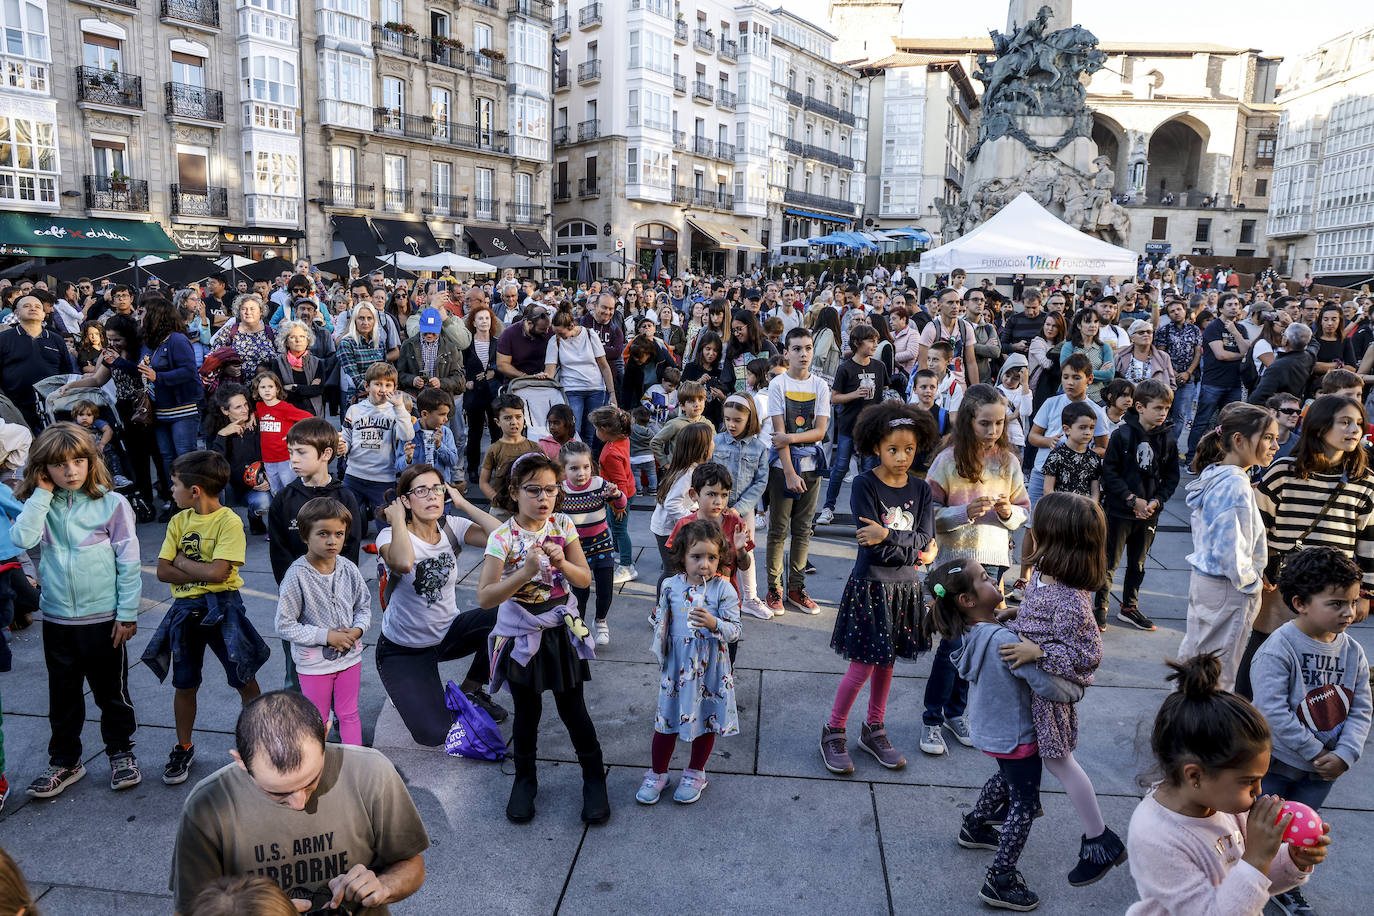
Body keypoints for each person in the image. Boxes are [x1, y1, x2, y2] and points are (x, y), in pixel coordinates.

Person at [170, 690, 429, 915]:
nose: (299, 803)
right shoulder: (208, 805)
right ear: (240, 762)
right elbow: (190, 908)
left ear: (324, 735)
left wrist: (384, 886)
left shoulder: (372, 772)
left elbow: (412, 865)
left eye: (310, 782)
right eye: (278, 793)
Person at [925, 559, 1086, 912]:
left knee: (1006, 777)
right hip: (1018, 735)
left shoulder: (976, 630)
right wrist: (1074, 687)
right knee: (1024, 805)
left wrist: (1005, 618)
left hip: (994, 731)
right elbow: (1048, 685)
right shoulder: (1005, 643)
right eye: (984, 579)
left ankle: (975, 825)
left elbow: (991, 632)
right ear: (968, 600)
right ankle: (1000, 878)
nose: (993, 579)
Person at [1124, 655, 1328, 915]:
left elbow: (1253, 881)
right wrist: (1257, 857)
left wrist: (1291, 860)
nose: (1259, 791)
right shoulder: (1156, 837)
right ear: (1195, 776)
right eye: (1249, 781)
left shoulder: (1224, 806)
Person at [1002, 492, 1127, 885]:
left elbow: (1087, 655)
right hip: (1028, 692)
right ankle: (990, 812)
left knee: (1060, 763)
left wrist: (1039, 651)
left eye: (1037, 530)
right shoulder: (1042, 576)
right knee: (1017, 757)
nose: (1031, 535)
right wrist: (1016, 613)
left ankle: (1100, 839)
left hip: (1048, 701)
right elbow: (1037, 618)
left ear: (1054, 540)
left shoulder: (1071, 599)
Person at [478, 452, 608, 826]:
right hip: (522, 636)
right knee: (527, 713)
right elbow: (486, 596)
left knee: (573, 709)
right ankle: (524, 779)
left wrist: (562, 564)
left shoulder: (563, 525)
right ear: (514, 492)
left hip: (560, 633)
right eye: (533, 490)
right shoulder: (503, 537)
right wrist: (526, 572)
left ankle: (594, 778)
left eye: (551, 489)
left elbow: (584, 580)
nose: (543, 498)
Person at [13, 423, 141, 798]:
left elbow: (130, 564)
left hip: (103, 620)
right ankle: (66, 761)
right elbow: (21, 540)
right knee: (63, 695)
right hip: (57, 619)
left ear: (91, 462)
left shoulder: (113, 504)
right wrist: (40, 495)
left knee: (111, 692)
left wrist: (127, 613)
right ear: (42, 469)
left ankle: (121, 752)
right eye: (58, 464)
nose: (70, 471)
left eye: (78, 461)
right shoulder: (42, 505)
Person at [1252, 547, 1371, 916]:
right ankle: (1250, 881)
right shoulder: (1279, 648)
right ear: (1301, 602)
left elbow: (1362, 707)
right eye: (1336, 603)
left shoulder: (1352, 652)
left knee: (1301, 835)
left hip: (1322, 772)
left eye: (1353, 601)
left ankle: (1284, 886)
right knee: (1261, 830)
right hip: (1277, 764)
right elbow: (1271, 711)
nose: (1349, 612)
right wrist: (1316, 752)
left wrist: (1345, 754)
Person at [821, 403, 938, 774]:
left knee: (887, 664)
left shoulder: (921, 489)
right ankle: (833, 730)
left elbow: (927, 538)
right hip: (871, 588)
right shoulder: (864, 484)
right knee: (861, 669)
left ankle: (874, 728)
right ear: (876, 447)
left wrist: (889, 534)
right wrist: (912, 547)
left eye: (909, 449)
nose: (902, 457)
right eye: (893, 449)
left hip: (905, 590)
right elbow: (875, 546)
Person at [1239, 395, 1374, 699]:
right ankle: (1245, 712)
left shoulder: (1364, 481)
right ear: (1319, 427)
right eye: (1345, 422)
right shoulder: (1283, 472)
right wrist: (1258, 569)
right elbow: (1257, 528)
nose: (1354, 430)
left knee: (1319, 656)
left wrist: (1366, 592)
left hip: (1334, 586)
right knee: (1265, 645)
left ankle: (1307, 714)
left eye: (1358, 424)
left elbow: (1369, 542)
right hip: (1281, 583)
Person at [146, 450, 267, 786]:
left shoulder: (229, 521)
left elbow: (217, 573)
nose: (172, 491)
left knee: (243, 677)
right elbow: (160, 571)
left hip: (224, 608)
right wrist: (194, 570)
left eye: (175, 485)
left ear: (194, 490)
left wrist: (183, 563)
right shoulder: (178, 521)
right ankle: (183, 745)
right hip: (185, 613)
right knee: (184, 684)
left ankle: (260, 740)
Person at [922, 385, 1029, 756]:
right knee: (952, 644)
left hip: (993, 559)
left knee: (978, 645)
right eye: (985, 423)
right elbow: (928, 513)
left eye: (999, 423)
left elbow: (1023, 511)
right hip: (955, 563)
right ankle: (932, 720)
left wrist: (1007, 512)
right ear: (968, 421)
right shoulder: (948, 460)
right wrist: (959, 512)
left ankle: (956, 713)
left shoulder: (1008, 462)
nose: (993, 430)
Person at [375, 464, 505, 744]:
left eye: (436, 488)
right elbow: (402, 562)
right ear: (406, 501)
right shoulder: (390, 536)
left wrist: (463, 503)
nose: (432, 496)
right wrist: (397, 519)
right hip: (403, 650)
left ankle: (470, 690)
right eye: (421, 491)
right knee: (433, 734)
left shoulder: (451, 527)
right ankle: (413, 691)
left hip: (448, 634)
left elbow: (504, 538)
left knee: (506, 614)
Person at [635, 519, 741, 805]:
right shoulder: (670, 585)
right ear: (682, 556)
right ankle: (658, 773)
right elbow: (661, 619)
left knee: (706, 720)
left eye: (712, 557)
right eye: (696, 557)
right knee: (665, 721)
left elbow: (735, 631)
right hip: (676, 667)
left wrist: (714, 622)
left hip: (710, 669)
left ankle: (696, 772)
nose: (704, 564)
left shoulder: (724, 590)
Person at [276, 497, 371, 746]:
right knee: (318, 719)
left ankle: (355, 766)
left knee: (349, 714)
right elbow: (284, 624)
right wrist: (326, 636)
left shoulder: (348, 568)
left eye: (339, 534)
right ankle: (314, 771)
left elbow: (364, 606)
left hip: (350, 659)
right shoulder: (296, 575)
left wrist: (359, 629)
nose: (332, 541)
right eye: (323, 534)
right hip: (314, 666)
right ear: (305, 535)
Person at [1097, 379, 1180, 631]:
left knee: (1138, 563)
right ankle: (1100, 606)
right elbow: (1109, 473)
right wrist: (1131, 499)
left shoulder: (1168, 439)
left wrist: (1156, 501)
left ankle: (1129, 606)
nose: (1163, 414)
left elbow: (1172, 477)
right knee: (1110, 561)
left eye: (1166, 409)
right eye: (1158, 408)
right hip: (1119, 511)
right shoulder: (1121, 435)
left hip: (1148, 515)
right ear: (1140, 407)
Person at [765, 327, 831, 614]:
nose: (803, 354)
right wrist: (790, 472)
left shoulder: (821, 386)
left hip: (812, 468)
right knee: (778, 530)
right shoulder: (778, 384)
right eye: (797, 349)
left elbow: (819, 432)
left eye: (807, 348)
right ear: (787, 352)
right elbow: (777, 433)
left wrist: (791, 438)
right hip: (783, 469)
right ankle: (774, 589)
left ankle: (796, 588)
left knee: (803, 530)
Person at [818, 325, 890, 526]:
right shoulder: (845, 368)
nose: (875, 344)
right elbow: (834, 398)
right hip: (849, 427)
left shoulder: (879, 366)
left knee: (869, 470)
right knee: (840, 468)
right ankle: (828, 508)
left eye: (876, 340)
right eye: (870, 341)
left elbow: (885, 391)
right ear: (858, 343)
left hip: (871, 429)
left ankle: (868, 511)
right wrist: (855, 394)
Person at [558, 440, 626, 647]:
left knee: (605, 590)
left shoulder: (600, 484)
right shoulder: (560, 491)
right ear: (563, 470)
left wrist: (616, 495)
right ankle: (580, 628)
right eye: (574, 468)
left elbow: (621, 504)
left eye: (586, 467)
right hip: (576, 551)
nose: (581, 473)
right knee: (580, 593)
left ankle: (601, 621)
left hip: (603, 546)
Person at [713, 394, 770, 619]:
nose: (731, 425)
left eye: (737, 420)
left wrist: (740, 507)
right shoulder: (716, 441)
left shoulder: (759, 448)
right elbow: (706, 472)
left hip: (743, 511)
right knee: (714, 549)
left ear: (750, 419)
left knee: (745, 551)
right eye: (727, 419)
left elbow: (760, 482)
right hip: (716, 509)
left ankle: (750, 597)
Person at [1026, 354, 1110, 504]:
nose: (1070, 382)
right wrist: (1048, 441)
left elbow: (1103, 448)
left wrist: (1078, 451)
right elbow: (1033, 436)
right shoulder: (1051, 403)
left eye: (1076, 378)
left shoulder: (1096, 411)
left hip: (1077, 475)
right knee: (1034, 521)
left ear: (1089, 379)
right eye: (1066, 377)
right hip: (1042, 470)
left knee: (1068, 521)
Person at [340, 362, 413, 534]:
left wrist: (400, 407)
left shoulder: (395, 411)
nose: (382, 389)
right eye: (377, 384)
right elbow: (346, 437)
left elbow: (407, 435)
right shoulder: (354, 410)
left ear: (395, 388)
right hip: (354, 476)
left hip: (383, 479)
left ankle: (385, 559)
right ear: (367, 386)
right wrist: (342, 447)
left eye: (388, 385)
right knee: (343, 522)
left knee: (387, 527)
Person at [1185, 292, 1252, 464]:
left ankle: (1223, 458)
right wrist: (1240, 354)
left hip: (1234, 384)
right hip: (1213, 383)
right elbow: (1220, 354)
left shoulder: (1241, 328)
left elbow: (1247, 351)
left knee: (1231, 423)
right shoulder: (1213, 327)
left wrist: (1234, 332)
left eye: (1236, 304)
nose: (1234, 307)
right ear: (1221, 308)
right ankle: (1191, 458)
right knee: (1202, 422)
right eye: (1229, 304)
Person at [0, 294, 74, 431]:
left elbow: (67, 373)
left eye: (37, 306)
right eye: (26, 306)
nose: (33, 308)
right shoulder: (3, 339)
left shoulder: (56, 339)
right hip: (15, 409)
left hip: (53, 407)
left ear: (44, 314)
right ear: (16, 313)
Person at [545, 309, 617, 443]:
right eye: (555, 332)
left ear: (571, 326)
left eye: (561, 333)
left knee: (592, 433)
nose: (558, 336)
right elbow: (550, 370)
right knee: (573, 431)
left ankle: (588, 461)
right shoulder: (555, 341)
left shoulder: (590, 335)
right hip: (571, 389)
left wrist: (612, 393)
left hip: (595, 388)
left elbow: (604, 365)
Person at [588, 405, 637, 584]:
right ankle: (621, 554)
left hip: (619, 496)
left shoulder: (610, 453)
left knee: (619, 529)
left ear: (606, 429)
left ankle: (627, 566)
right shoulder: (622, 438)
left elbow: (620, 481)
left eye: (596, 428)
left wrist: (619, 505)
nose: (595, 432)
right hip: (621, 494)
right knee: (613, 525)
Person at [251, 370, 313, 494]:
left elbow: (309, 417)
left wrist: (295, 436)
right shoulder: (260, 406)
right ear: (257, 390)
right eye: (262, 387)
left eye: (270, 386)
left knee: (290, 491)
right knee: (276, 492)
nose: (267, 390)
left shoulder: (285, 408)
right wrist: (252, 416)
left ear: (277, 389)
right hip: (268, 459)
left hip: (285, 458)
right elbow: (259, 414)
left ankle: (293, 513)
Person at [479, 393, 537, 501]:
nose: (514, 422)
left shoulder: (534, 447)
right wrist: (497, 499)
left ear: (524, 417)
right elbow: (483, 483)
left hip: (529, 506)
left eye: (518, 417)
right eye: (507, 418)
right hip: (501, 510)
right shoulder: (494, 449)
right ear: (497, 422)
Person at [917, 288, 978, 385]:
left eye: (957, 302)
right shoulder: (931, 328)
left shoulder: (966, 327)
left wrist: (975, 391)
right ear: (939, 305)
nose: (955, 306)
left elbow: (971, 362)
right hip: (936, 385)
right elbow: (922, 363)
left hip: (959, 385)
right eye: (950, 302)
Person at [1245, 323, 1315, 406]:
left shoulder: (1278, 366)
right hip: (1295, 406)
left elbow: (1257, 398)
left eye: (1284, 334)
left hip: (1278, 411)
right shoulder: (1309, 357)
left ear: (1286, 340)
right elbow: (1314, 344)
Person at [210, 295, 276, 381]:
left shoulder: (272, 333)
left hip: (265, 389)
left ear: (261, 311)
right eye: (244, 309)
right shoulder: (228, 332)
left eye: (252, 309)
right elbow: (213, 357)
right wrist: (225, 368)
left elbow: (282, 359)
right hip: (236, 388)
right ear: (238, 312)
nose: (248, 312)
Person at [649, 379, 712, 465]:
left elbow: (715, 445)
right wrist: (665, 463)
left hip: (700, 472)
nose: (697, 404)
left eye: (700, 400)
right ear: (682, 405)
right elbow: (655, 442)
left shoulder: (707, 424)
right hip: (679, 472)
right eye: (691, 401)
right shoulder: (675, 424)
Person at [1060, 307, 1115, 404]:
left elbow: (1109, 375)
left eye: (1096, 322)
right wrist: (1097, 373)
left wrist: (1080, 374)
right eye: (1088, 322)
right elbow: (1066, 371)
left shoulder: (1104, 347)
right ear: (1079, 325)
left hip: (1098, 399)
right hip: (1071, 399)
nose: (1093, 325)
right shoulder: (1069, 346)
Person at [272, 319, 324, 415]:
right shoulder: (278, 362)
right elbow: (280, 392)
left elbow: (318, 390)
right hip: (287, 413)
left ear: (307, 340)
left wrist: (294, 387)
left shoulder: (317, 363)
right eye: (292, 337)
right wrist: (308, 389)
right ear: (286, 342)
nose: (298, 340)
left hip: (312, 413)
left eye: (302, 336)